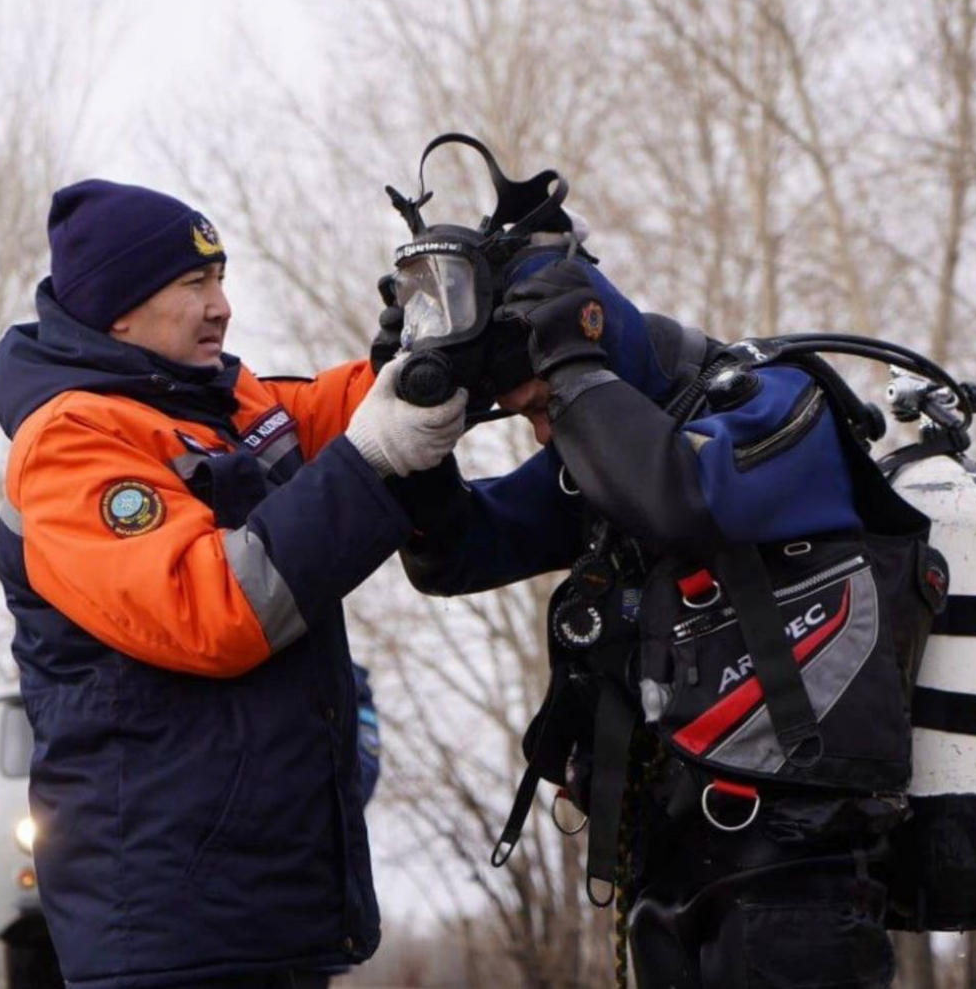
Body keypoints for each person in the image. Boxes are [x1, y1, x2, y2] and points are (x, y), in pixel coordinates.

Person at [388, 238, 937, 989]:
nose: (547, 433)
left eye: (543, 410)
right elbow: (454, 556)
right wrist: (413, 436)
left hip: (798, 865)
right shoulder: (603, 459)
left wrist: (573, 367)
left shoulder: (777, 399)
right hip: (667, 863)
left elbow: (686, 501)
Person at [0, 179, 466, 989]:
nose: (223, 307)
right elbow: (211, 608)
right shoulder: (71, 443)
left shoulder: (221, 407)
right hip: (171, 924)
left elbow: (330, 411)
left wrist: (433, 356)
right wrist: (375, 454)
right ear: (118, 310)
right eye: (193, 284)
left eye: (221, 278)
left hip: (261, 910)